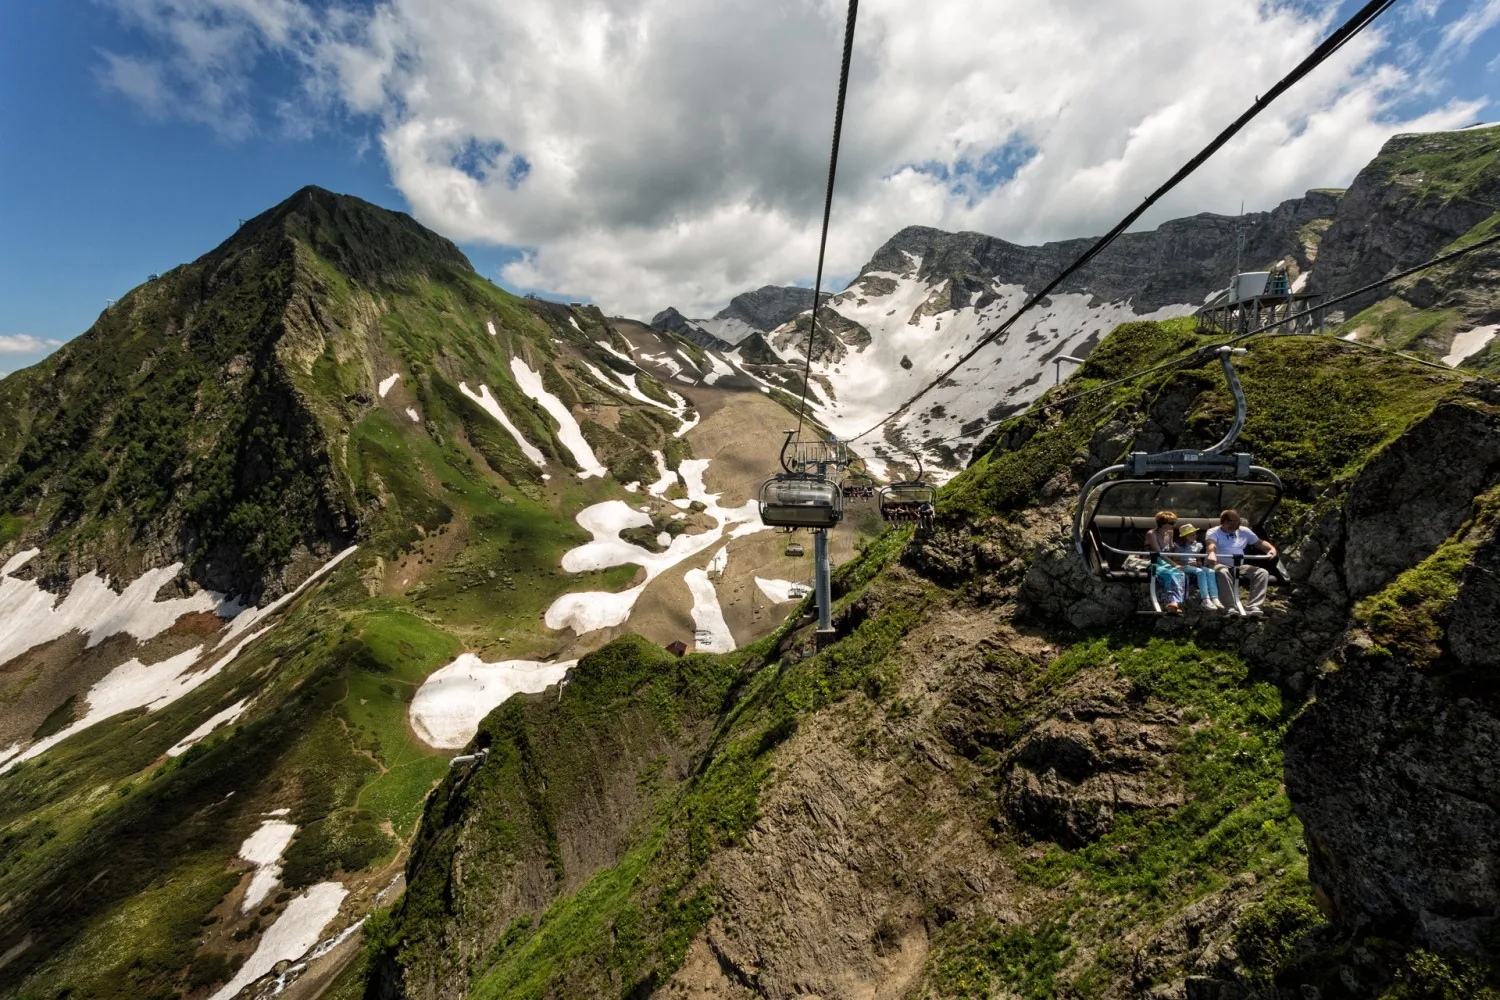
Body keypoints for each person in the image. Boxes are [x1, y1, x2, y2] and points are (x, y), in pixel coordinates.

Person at [1206, 509, 1277, 616]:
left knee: (1262, 572)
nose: (1240, 523)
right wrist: (1212, 553)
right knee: (1222, 571)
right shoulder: (1213, 532)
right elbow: (1211, 544)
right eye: (1237, 521)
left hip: (1238, 565)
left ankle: (1254, 606)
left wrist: (1271, 549)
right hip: (1217, 564)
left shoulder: (1244, 531)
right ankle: (1229, 607)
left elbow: (1259, 542)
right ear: (1226, 522)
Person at [1147, 510, 1187, 614]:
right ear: (1163, 523)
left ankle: (1174, 603)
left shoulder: (1170, 533)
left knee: (1181, 574)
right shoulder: (1152, 534)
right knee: (1168, 574)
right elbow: (1159, 553)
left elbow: (1169, 551)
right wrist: (1174, 564)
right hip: (1152, 561)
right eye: (1171, 523)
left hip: (1164, 562)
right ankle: (1170, 602)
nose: (1174, 525)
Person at [1176, 522, 1223, 610]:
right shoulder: (1178, 546)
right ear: (1186, 536)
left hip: (1194, 566)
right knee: (1200, 572)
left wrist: (1199, 562)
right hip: (1184, 566)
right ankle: (1205, 599)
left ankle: (1215, 597)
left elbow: (1198, 558)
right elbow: (1175, 560)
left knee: (1211, 571)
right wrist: (1187, 563)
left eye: (1195, 533)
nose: (1195, 535)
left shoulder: (1197, 545)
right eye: (1192, 534)